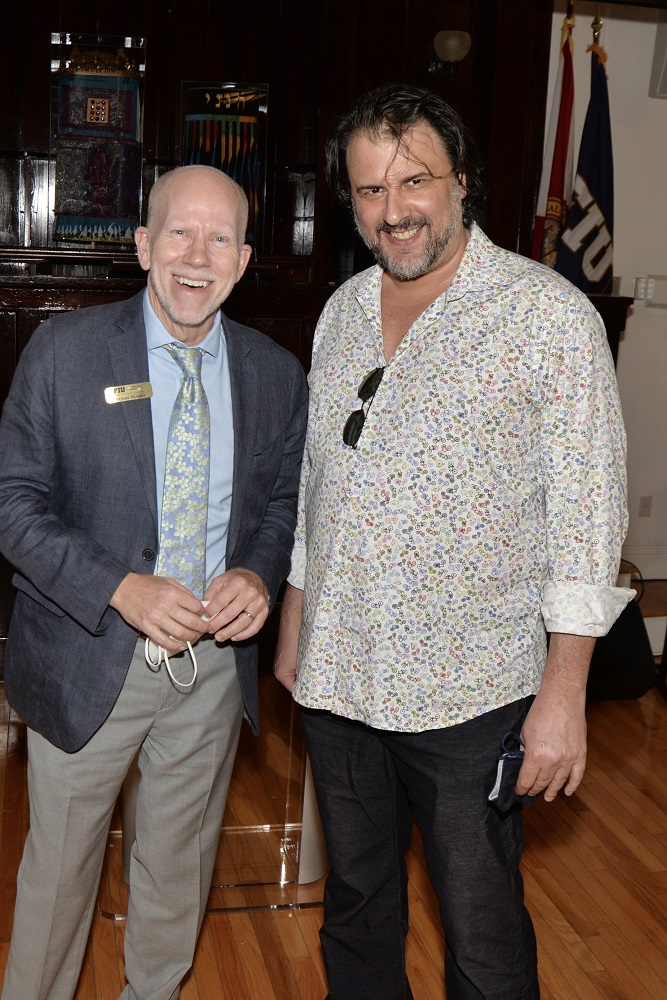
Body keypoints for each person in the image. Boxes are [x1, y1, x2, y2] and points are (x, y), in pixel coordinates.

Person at [274, 84, 631, 1000]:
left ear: (462, 182)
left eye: (414, 181)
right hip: (341, 674)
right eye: (366, 191)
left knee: (479, 924)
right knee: (356, 900)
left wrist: (563, 695)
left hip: (471, 691)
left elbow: (588, 521)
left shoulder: (547, 319)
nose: (392, 211)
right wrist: (295, 621)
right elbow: (322, 483)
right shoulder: (343, 310)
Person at [0, 164, 307, 1000]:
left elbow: (280, 504)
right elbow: (12, 506)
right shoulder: (64, 353)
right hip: (87, 653)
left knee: (177, 875)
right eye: (179, 232)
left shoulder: (276, 375)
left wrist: (257, 570)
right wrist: (119, 589)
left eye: (218, 239)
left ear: (243, 260)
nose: (196, 256)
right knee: (59, 882)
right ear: (142, 245)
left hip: (210, 670)